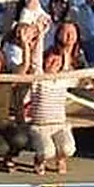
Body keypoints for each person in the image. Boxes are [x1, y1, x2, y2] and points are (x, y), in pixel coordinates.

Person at [28, 48, 77, 176]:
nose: (54, 63)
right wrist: (40, 38)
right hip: (40, 127)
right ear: (45, 61)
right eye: (51, 60)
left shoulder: (64, 78)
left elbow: (71, 67)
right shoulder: (38, 78)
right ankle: (39, 160)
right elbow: (36, 61)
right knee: (48, 152)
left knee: (69, 149)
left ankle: (60, 159)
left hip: (59, 125)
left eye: (57, 61)